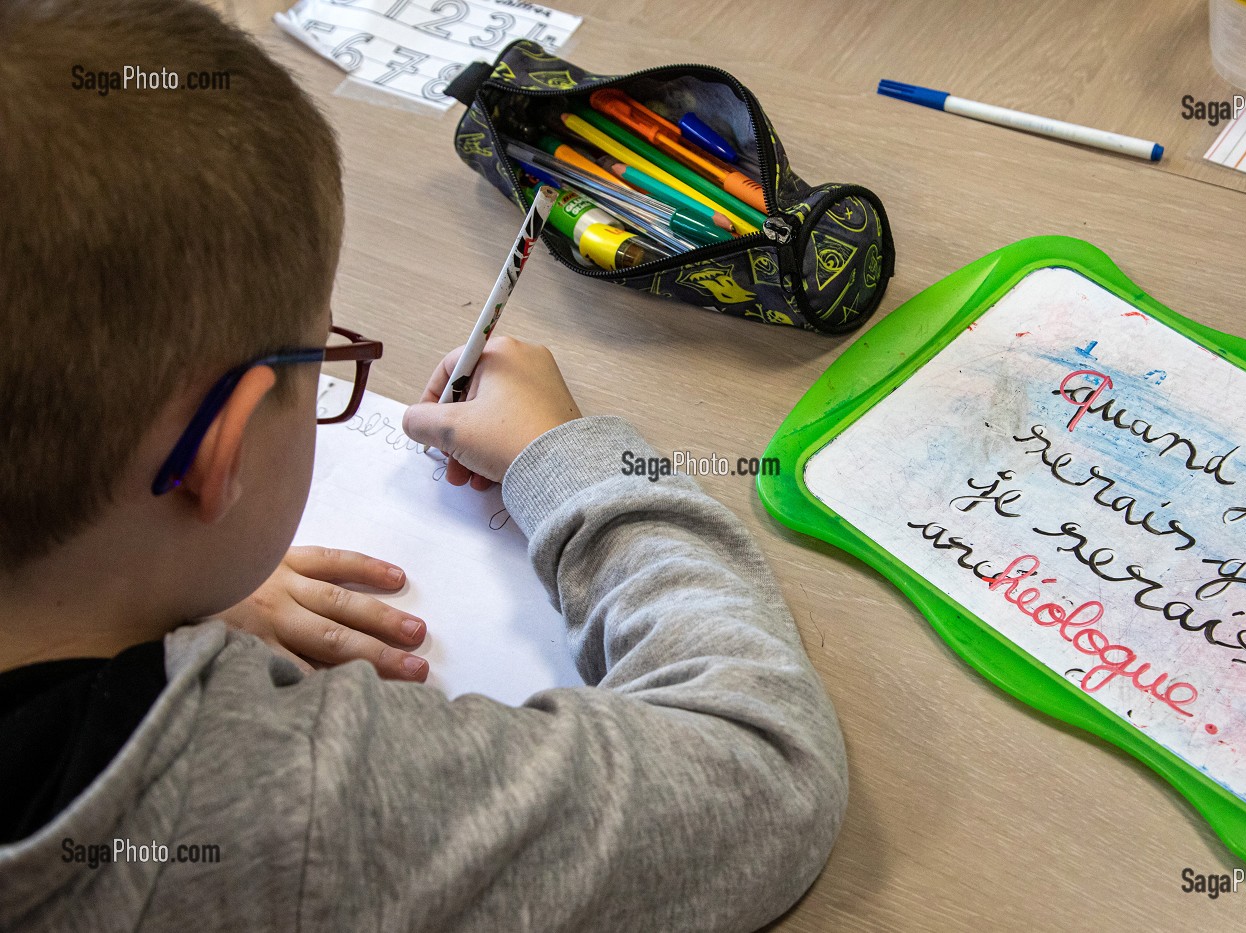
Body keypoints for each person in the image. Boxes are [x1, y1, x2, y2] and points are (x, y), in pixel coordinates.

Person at [0, 1, 847, 930]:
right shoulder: (271, 808)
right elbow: (762, 770)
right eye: (322, 357)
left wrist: (138, 582)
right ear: (218, 451)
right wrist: (567, 460)